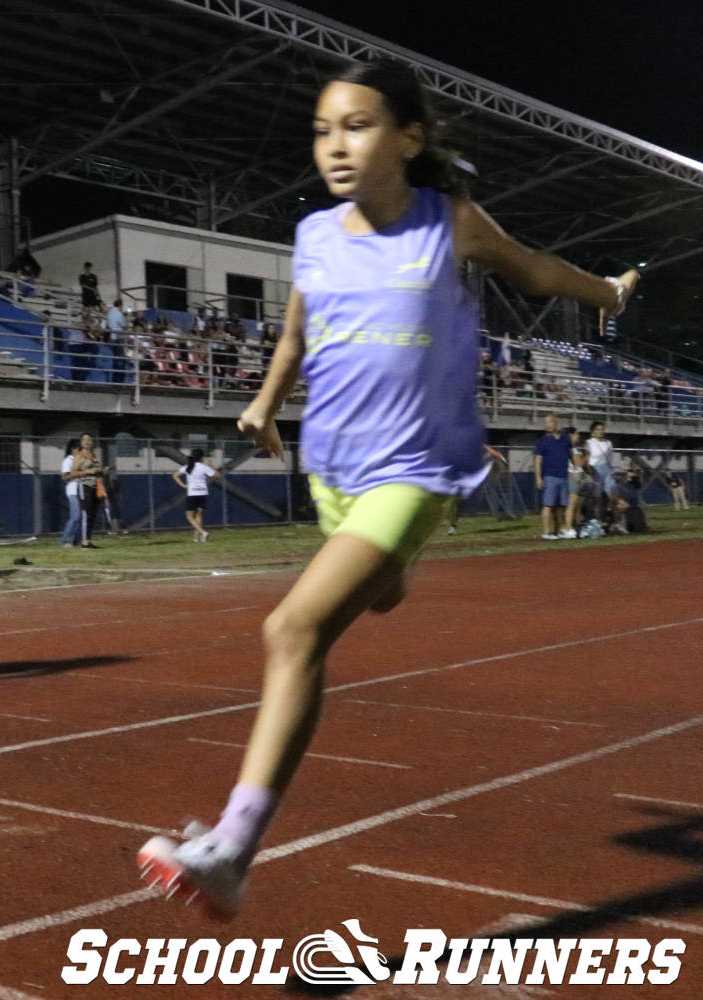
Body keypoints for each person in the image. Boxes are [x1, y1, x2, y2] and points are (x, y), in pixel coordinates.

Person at [135, 58, 639, 920]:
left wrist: (611, 294)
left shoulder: (452, 223)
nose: (335, 145)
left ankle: (232, 847)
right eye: (324, 129)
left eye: (358, 125)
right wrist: (262, 404)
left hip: (420, 468)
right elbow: (296, 334)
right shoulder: (316, 238)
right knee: (373, 599)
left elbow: (537, 271)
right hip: (333, 468)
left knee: (293, 628)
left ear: (408, 138)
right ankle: (393, 572)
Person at [533, 413, 575, 540]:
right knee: (548, 505)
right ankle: (546, 532)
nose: (547, 425)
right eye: (545, 422)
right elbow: (537, 461)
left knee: (562, 506)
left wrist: (577, 471)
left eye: (550, 422)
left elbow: (571, 456)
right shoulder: (542, 441)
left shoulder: (565, 439)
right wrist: (538, 478)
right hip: (549, 476)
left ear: (556, 423)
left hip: (563, 476)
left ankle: (560, 530)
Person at [173, 447, 218, 543]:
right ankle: (197, 538)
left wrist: (184, 485)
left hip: (192, 493)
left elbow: (175, 475)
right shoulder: (204, 467)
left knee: (189, 517)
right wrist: (211, 465)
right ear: (202, 457)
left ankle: (203, 532)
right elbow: (217, 475)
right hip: (203, 493)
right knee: (198, 515)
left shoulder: (188, 466)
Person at [585, 421, 617, 526]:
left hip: (606, 468)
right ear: (593, 432)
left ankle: (610, 514)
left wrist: (611, 469)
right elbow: (587, 458)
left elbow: (610, 457)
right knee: (597, 497)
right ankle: (598, 520)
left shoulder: (608, 443)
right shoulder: (589, 442)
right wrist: (589, 471)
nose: (600, 431)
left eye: (602, 429)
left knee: (612, 493)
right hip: (595, 469)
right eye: (597, 429)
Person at [76, 433, 103, 548]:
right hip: (84, 486)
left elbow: (96, 471)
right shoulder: (79, 456)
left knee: (92, 514)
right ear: (81, 442)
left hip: (95, 486)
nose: (87, 442)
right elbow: (73, 473)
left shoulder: (94, 455)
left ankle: (88, 539)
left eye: (89, 440)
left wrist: (102, 472)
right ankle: (84, 541)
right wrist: (88, 472)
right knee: (86, 514)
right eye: (85, 440)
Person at [59, 438, 84, 547]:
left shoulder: (80, 461)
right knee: (75, 516)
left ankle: (75, 540)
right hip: (73, 491)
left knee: (81, 517)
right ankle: (66, 540)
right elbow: (65, 476)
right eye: (80, 449)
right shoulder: (68, 460)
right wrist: (78, 473)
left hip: (82, 490)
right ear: (74, 449)